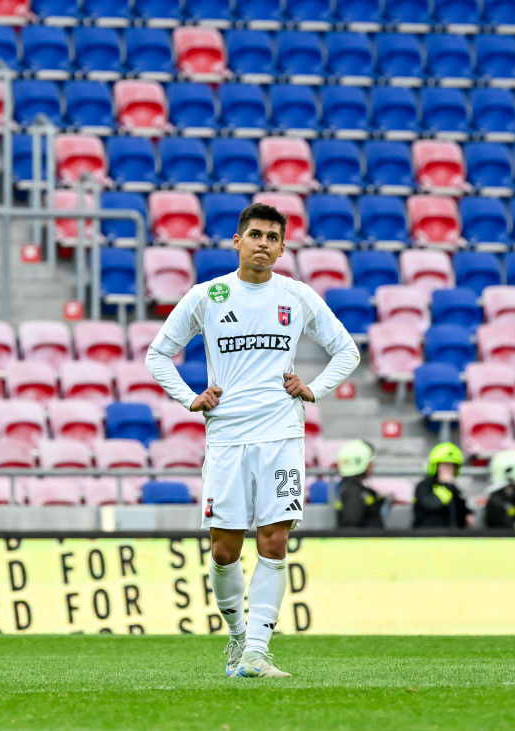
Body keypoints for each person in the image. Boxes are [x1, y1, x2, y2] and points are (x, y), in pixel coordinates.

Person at [145, 202, 358, 679]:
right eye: (255, 234)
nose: (264, 243)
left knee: (274, 539)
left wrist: (314, 388)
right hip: (226, 434)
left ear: (282, 248)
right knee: (224, 550)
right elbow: (158, 354)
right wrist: (189, 397)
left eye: (273, 237)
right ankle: (238, 635)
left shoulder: (297, 296)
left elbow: (347, 349)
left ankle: (258, 651)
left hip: (281, 432)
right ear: (237, 241)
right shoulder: (208, 295)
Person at [413, 442, 472, 528]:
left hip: (452, 537)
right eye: (445, 465)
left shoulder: (453, 487)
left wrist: (468, 513)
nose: (449, 469)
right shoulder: (424, 486)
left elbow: (460, 507)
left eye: (452, 466)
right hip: (427, 536)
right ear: (436, 466)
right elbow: (432, 505)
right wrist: (447, 486)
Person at [334, 439, 387, 529]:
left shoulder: (354, 488)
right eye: (369, 461)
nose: (372, 465)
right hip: (364, 542)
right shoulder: (352, 491)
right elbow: (352, 524)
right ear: (360, 463)